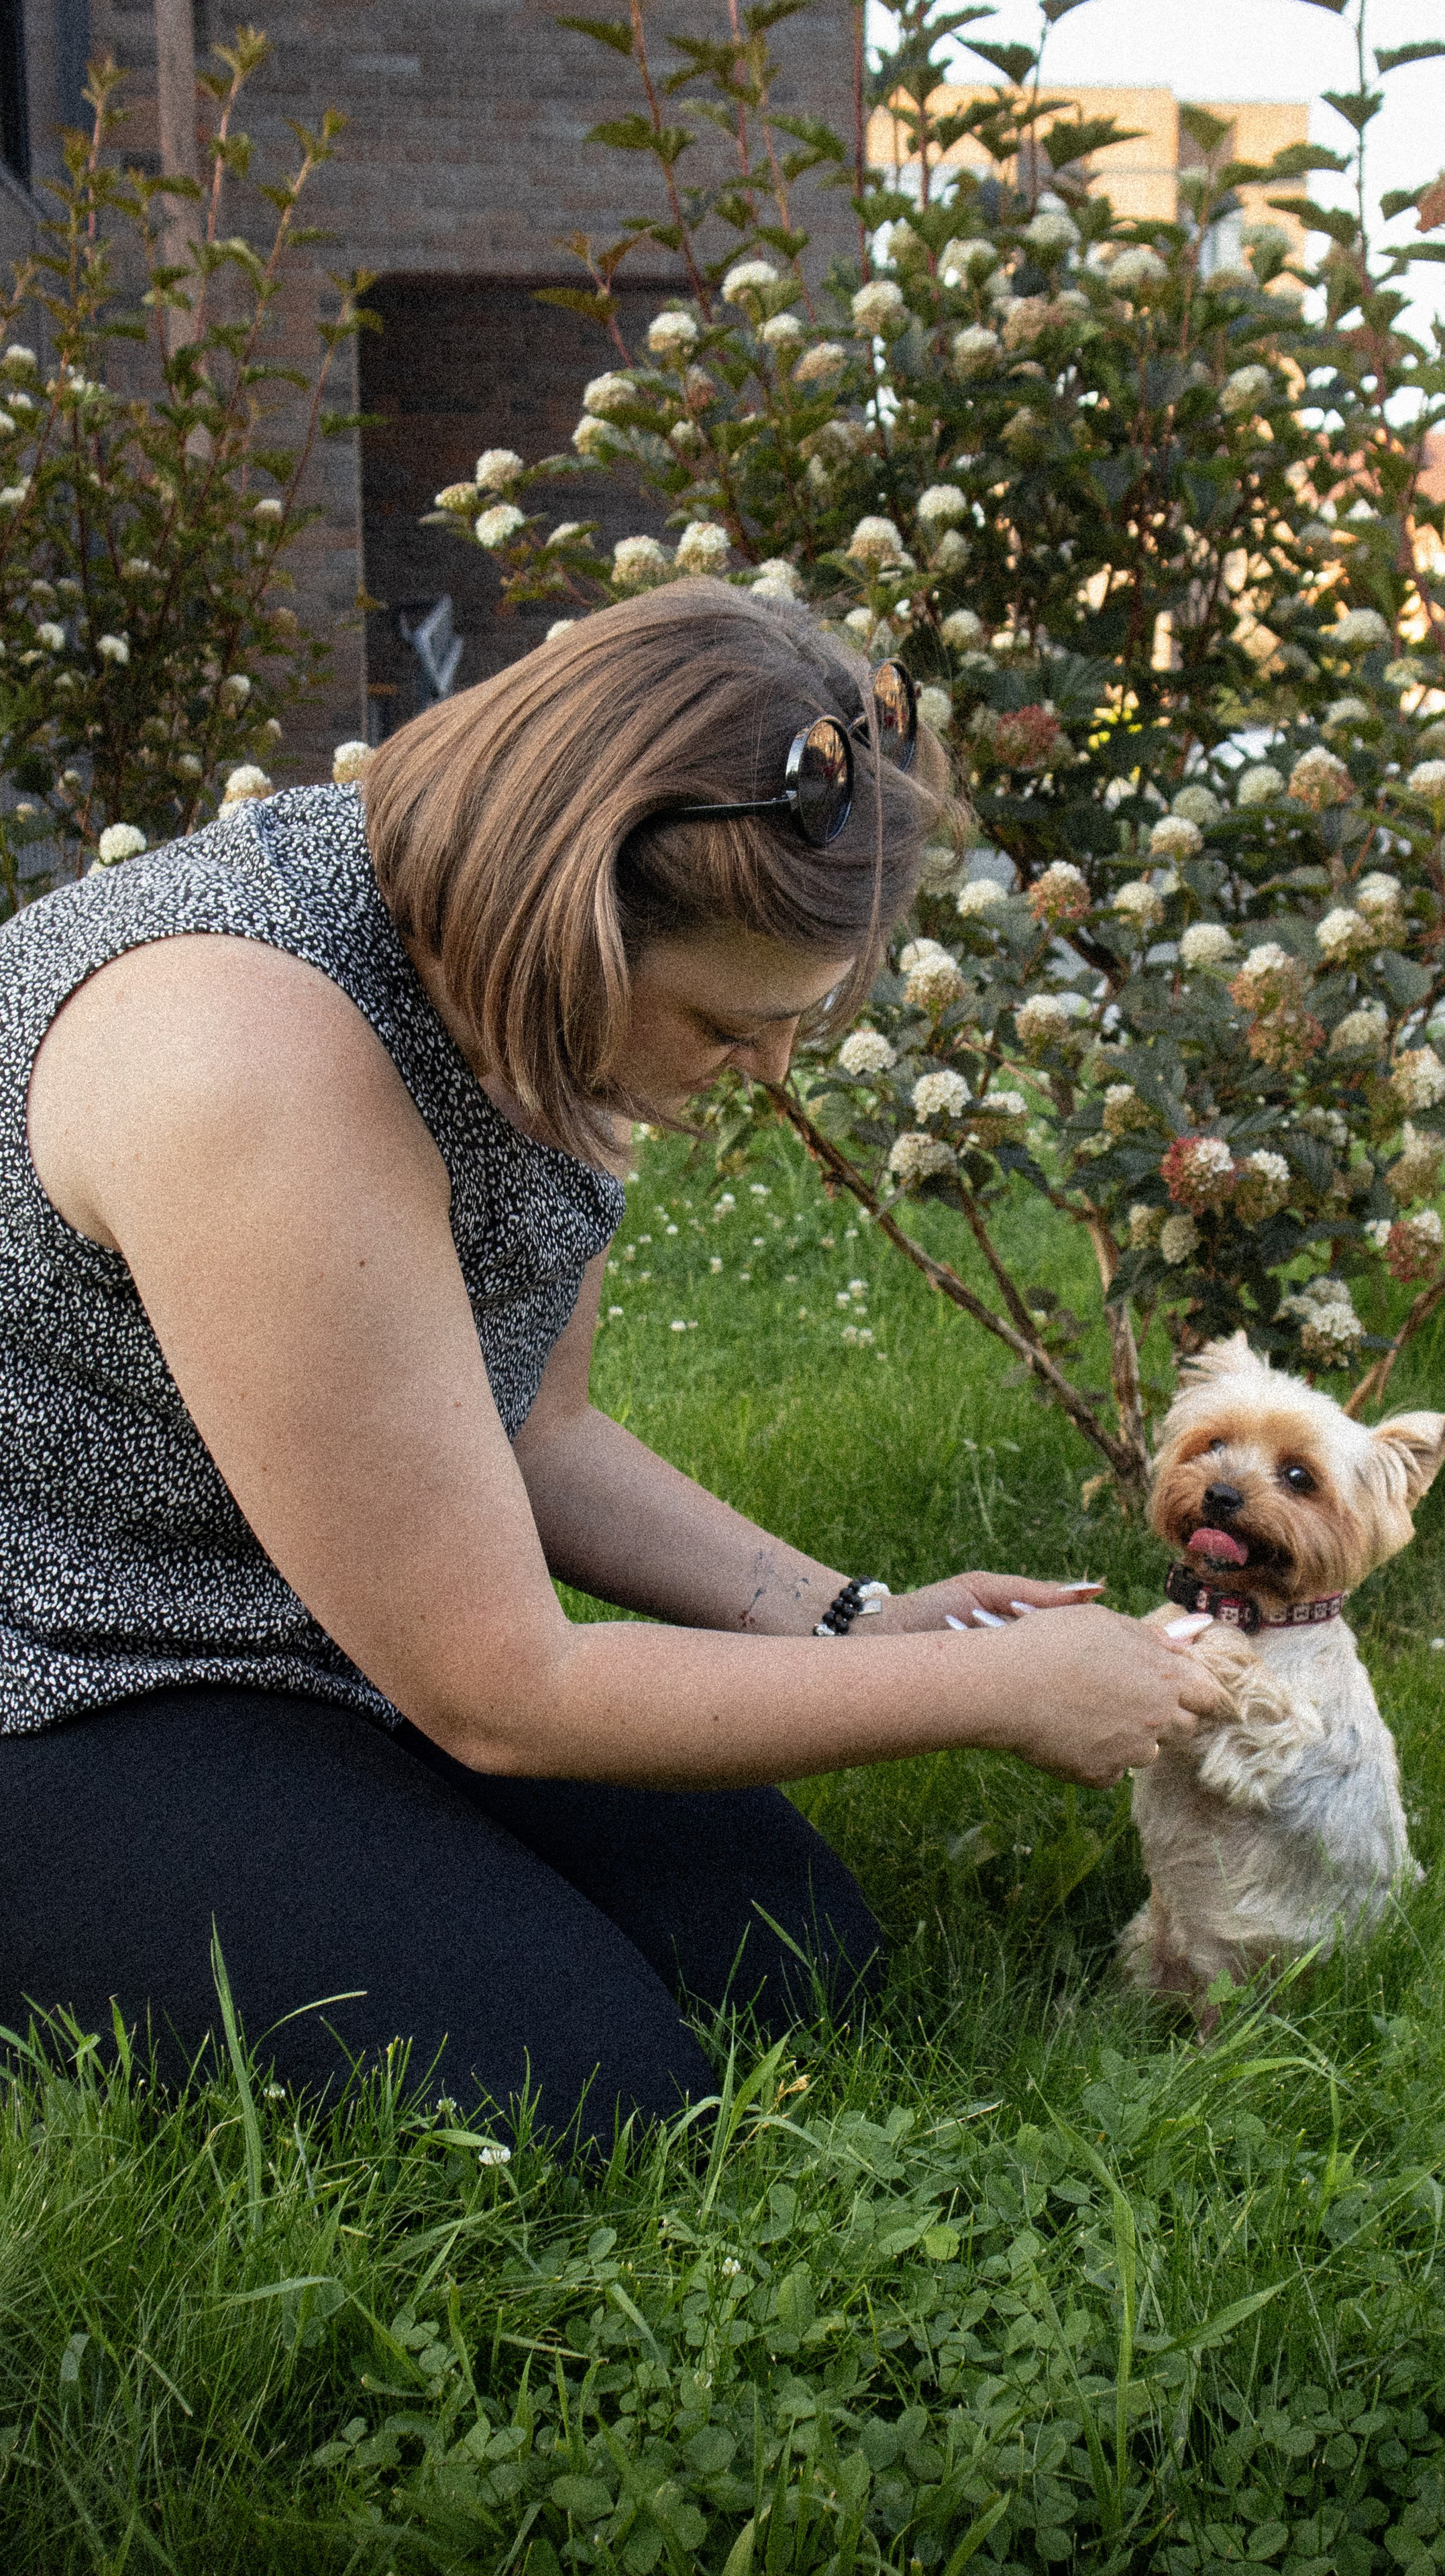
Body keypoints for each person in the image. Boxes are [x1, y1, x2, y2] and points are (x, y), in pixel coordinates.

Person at [0, 581, 1219, 2153]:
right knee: (597, 2098)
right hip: (53, 1667)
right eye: (731, 1019)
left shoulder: (532, 1008)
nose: (773, 1069)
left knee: (793, 1965)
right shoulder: (245, 1059)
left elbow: (536, 1431)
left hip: (305, 1611)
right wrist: (983, 1686)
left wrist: (850, 1621)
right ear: (576, 913)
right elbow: (505, 1690)